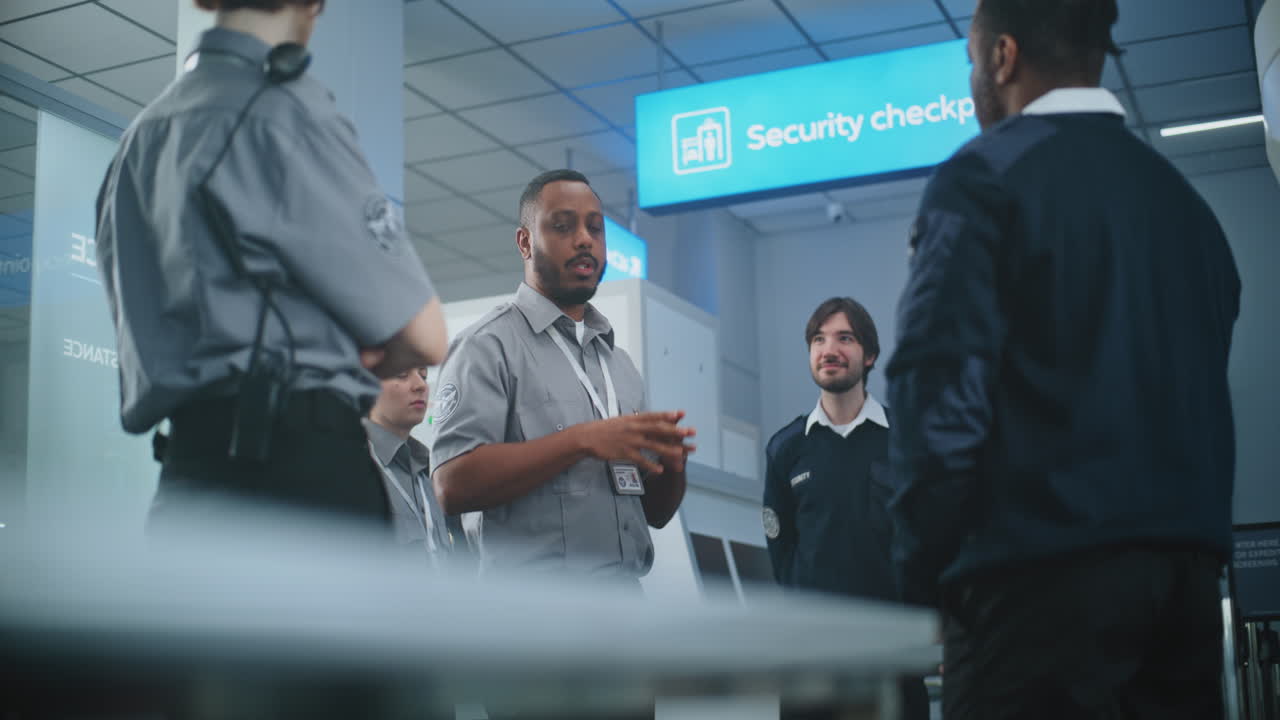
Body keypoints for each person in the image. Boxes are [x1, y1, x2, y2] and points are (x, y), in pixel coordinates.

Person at [886, 0, 1241, 717]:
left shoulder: (982, 179)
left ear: (1001, 58)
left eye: (970, 62)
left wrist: (922, 578)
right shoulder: (1187, 209)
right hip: (1187, 595)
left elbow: (938, 392)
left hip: (1033, 595)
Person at [95, 0, 447, 528]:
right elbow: (427, 337)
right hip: (299, 472)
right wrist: (366, 349)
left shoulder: (136, 143)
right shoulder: (288, 113)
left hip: (186, 478)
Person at [427, 169, 695, 588]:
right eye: (563, 226)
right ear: (525, 242)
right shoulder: (488, 346)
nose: (585, 239)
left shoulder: (619, 365)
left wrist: (673, 467)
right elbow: (451, 484)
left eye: (595, 228)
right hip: (535, 618)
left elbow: (654, 516)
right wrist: (581, 440)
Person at [763, 297, 928, 720]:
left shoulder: (907, 442)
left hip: (893, 657)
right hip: (810, 662)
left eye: (845, 338)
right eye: (818, 339)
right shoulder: (786, 449)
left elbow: (928, 542)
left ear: (869, 355)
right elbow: (783, 555)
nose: (828, 349)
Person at [364, 366, 460, 558]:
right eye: (402, 374)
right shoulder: (353, 469)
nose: (421, 385)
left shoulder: (429, 470)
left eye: (423, 375)